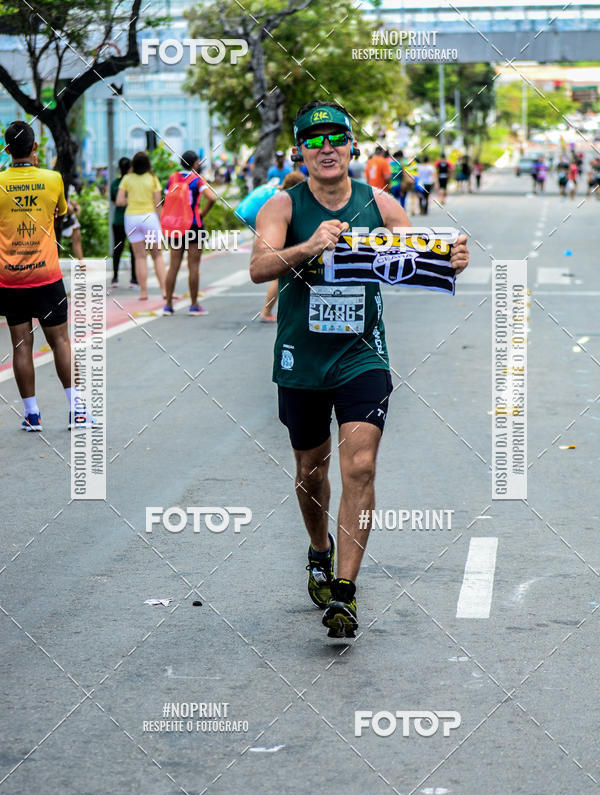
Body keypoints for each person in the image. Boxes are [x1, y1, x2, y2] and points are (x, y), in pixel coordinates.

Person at [249, 100, 469, 638]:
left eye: (336, 138)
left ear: (351, 146)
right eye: (314, 140)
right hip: (301, 359)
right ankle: (318, 549)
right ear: (299, 151)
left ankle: (344, 592)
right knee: (311, 471)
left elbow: (419, 257)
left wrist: (451, 259)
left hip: (361, 356)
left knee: (362, 467)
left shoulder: (380, 202)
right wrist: (309, 246)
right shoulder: (282, 205)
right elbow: (258, 268)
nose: (326, 148)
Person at [0, 121, 91, 430]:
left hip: (10, 279)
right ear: (35, 147)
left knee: (21, 345)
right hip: (47, 277)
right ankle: (77, 411)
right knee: (61, 341)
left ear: (7, 149)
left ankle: (32, 414)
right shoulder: (53, 179)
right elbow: (60, 214)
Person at [162, 150, 217, 316]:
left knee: (173, 266)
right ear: (194, 163)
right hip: (194, 226)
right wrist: (202, 213)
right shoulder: (197, 179)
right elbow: (212, 198)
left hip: (176, 227)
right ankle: (194, 305)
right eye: (198, 161)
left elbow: (166, 200)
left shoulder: (172, 178)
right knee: (193, 267)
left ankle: (168, 306)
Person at [115, 150, 166, 301]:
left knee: (139, 257)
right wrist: (161, 222)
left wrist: (131, 201)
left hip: (131, 218)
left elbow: (119, 201)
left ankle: (143, 292)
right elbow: (157, 203)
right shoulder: (152, 178)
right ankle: (164, 290)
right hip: (149, 218)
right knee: (157, 255)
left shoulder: (127, 178)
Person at [258, 170, 306, 323]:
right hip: (285, 242)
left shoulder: (280, 196)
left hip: (278, 241)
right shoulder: (290, 200)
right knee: (280, 279)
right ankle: (266, 312)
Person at [110, 157, 138, 288]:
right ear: (131, 168)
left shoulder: (115, 183)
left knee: (117, 248)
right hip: (132, 219)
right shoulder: (133, 183)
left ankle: (115, 277)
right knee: (134, 249)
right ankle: (134, 279)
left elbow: (114, 200)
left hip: (118, 220)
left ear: (119, 168)